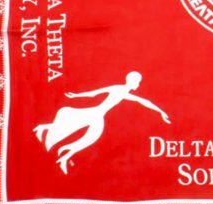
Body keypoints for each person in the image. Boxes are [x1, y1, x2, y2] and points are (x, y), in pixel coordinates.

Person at [33, 71, 170, 174]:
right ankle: (44, 130)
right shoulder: (119, 89)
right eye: (138, 82)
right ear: (132, 81)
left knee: (87, 137)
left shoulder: (124, 92)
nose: (138, 85)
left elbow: (144, 101)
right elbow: (94, 93)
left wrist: (161, 112)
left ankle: (62, 156)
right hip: (95, 113)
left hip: (98, 116)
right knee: (80, 131)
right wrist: (77, 95)